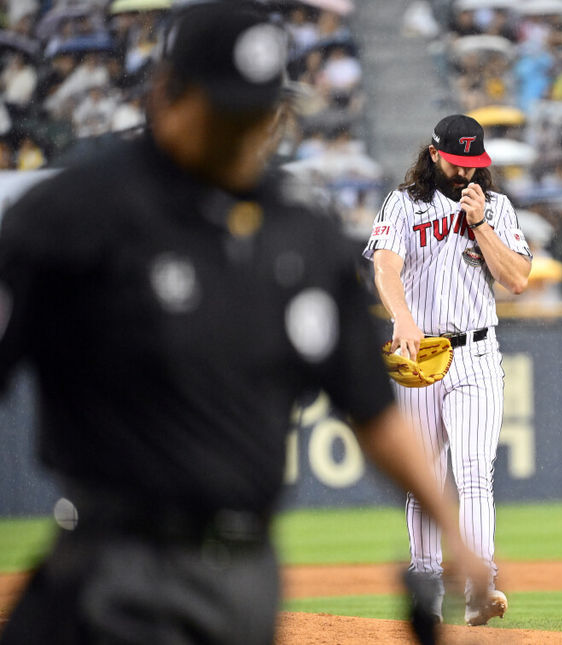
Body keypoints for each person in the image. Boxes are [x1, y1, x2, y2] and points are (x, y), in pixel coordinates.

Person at [0, 4, 488, 644]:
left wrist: (451, 531)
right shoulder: (74, 215)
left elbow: (371, 408)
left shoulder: (300, 233)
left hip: (247, 577)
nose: (245, 127)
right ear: (165, 92)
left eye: (259, 108)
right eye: (225, 107)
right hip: (115, 570)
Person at [364, 114, 532, 626]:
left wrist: (480, 223)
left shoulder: (494, 207)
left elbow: (518, 279)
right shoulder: (405, 202)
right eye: (457, 164)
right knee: (426, 479)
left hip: (478, 354)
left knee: (474, 472)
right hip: (421, 355)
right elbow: (384, 266)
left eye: (473, 165)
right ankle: (428, 585)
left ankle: (482, 586)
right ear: (435, 155)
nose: (466, 174)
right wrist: (404, 317)